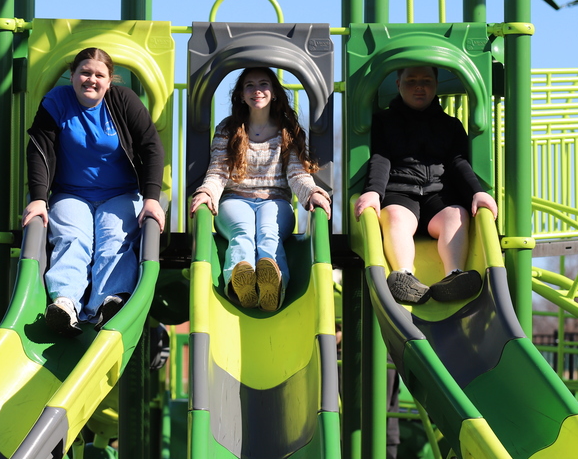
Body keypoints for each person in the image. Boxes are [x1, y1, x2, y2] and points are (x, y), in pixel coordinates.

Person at [23, 47, 166, 336]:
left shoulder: (123, 101)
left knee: (115, 239)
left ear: (110, 80)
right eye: (85, 73)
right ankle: (66, 303)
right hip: (71, 193)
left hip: (120, 193)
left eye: (99, 75)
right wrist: (38, 198)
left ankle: (106, 303)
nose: (91, 79)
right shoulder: (57, 102)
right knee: (72, 237)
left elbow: (151, 146)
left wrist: (151, 198)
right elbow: (39, 148)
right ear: (72, 75)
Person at [353, 65, 498, 305]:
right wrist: (373, 192)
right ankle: (403, 276)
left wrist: (476, 192)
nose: (419, 87)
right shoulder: (383, 122)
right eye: (411, 81)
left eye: (427, 81)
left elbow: (459, 162)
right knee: (395, 217)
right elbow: (380, 158)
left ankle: (454, 275)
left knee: (457, 215)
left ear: (436, 85)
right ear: (398, 85)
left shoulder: (450, 125)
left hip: (438, 196)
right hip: (400, 192)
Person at [190, 67, 330, 312]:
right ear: (241, 95)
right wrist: (206, 192)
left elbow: (296, 173)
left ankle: (274, 286)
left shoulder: (287, 130)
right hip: (235, 199)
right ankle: (239, 282)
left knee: (268, 232)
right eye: (250, 85)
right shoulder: (229, 129)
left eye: (263, 84)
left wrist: (312, 192)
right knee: (243, 231)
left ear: (273, 92)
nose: (257, 90)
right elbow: (218, 171)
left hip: (274, 201)